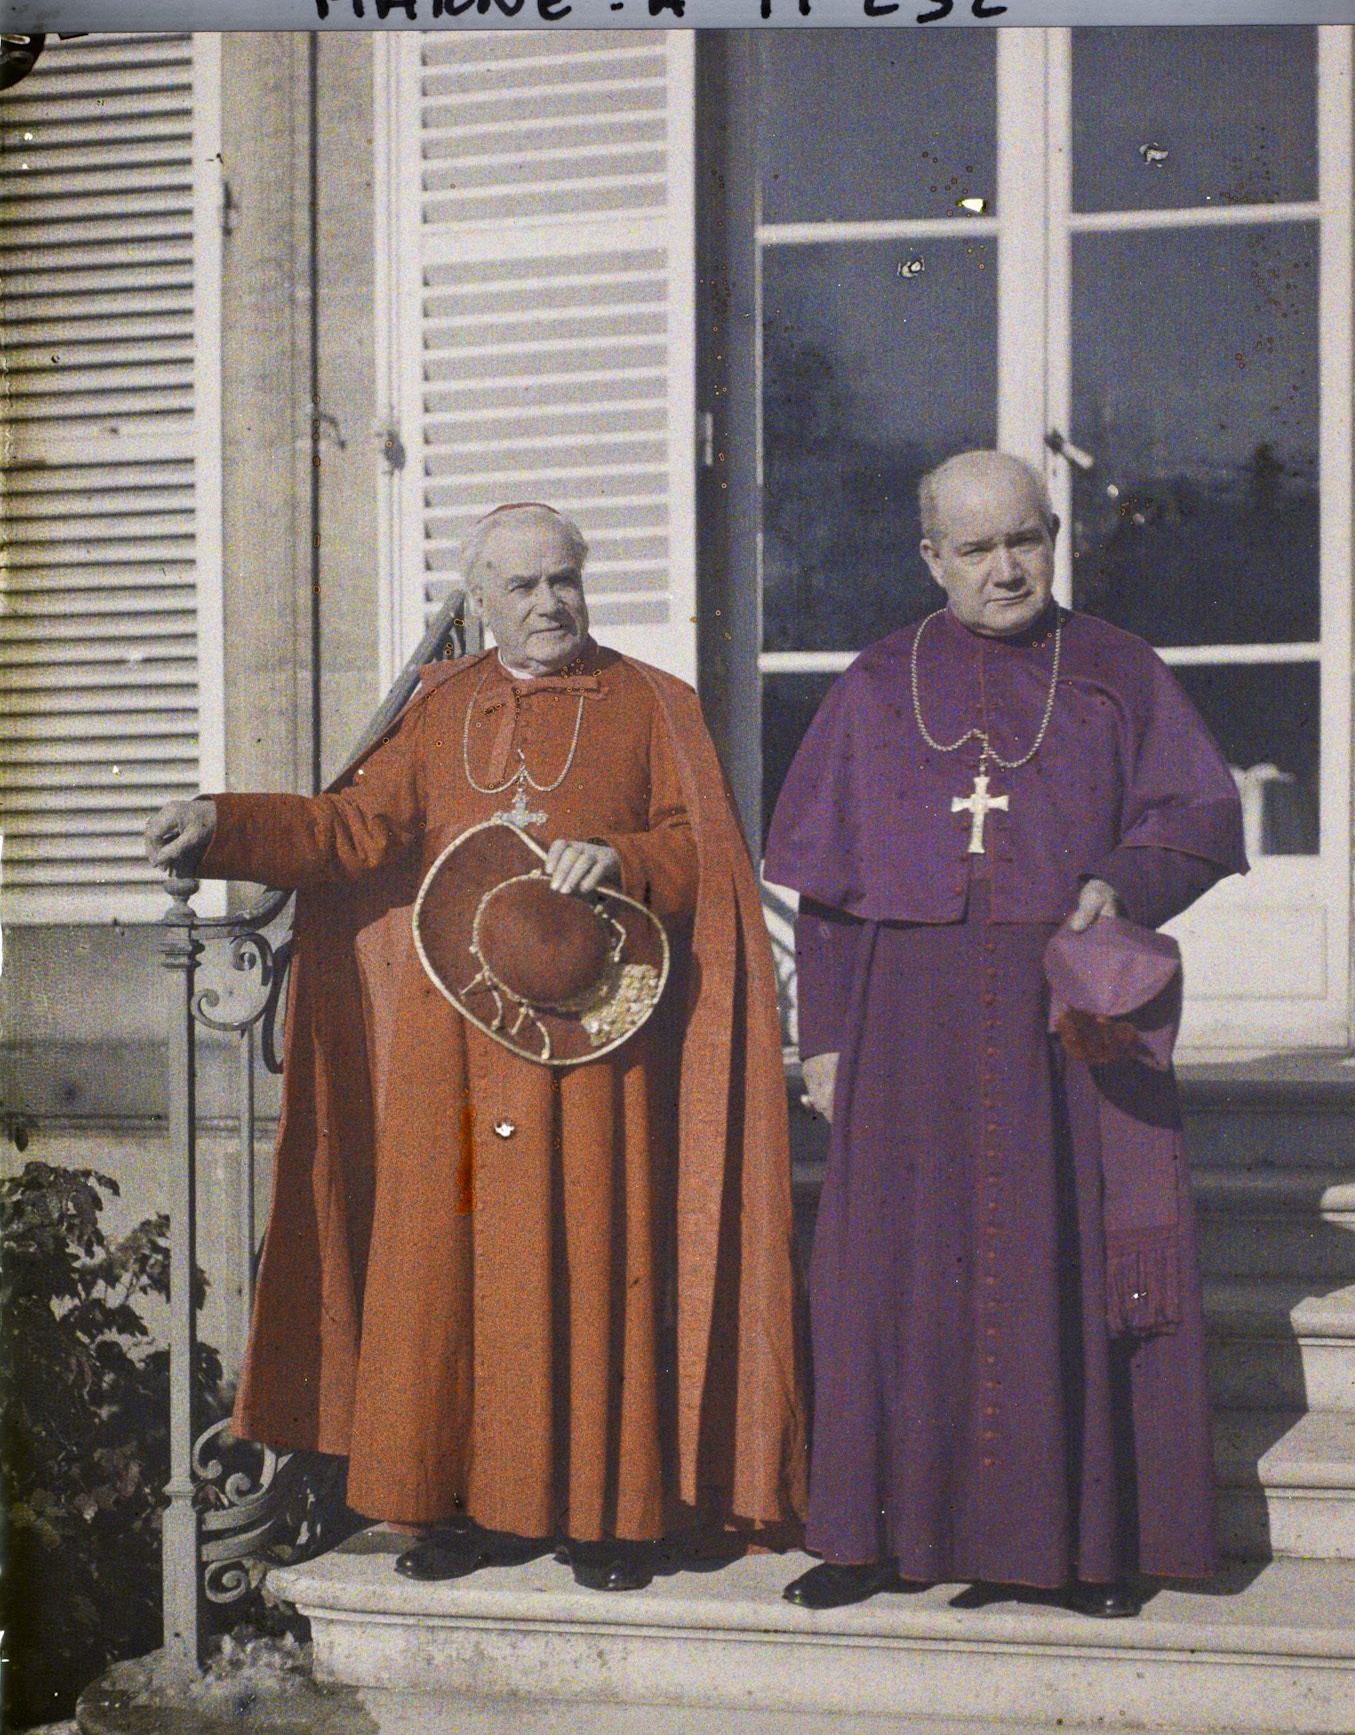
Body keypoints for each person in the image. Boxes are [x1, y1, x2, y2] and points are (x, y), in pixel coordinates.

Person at [147, 503, 804, 1592]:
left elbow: (707, 859)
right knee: (466, 1282)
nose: (548, 604)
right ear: (480, 600)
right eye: (521, 587)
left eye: (564, 580)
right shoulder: (441, 706)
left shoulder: (653, 704)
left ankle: (609, 1514)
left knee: (597, 1268)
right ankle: (478, 1508)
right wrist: (222, 822)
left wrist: (628, 857)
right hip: (456, 1053)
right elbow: (346, 829)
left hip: (600, 1042)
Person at [764, 450, 1247, 1616]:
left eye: (1023, 540)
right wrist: (824, 1040)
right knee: (888, 1277)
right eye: (974, 549)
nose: (1004, 568)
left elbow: (1198, 812)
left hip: (1068, 1017)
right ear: (930, 556)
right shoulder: (878, 682)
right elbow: (827, 894)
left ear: (1055, 536)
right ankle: (869, 1536)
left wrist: (1125, 878)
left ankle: (1078, 1548)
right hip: (907, 1020)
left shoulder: (1118, 670)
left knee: (1067, 1263)